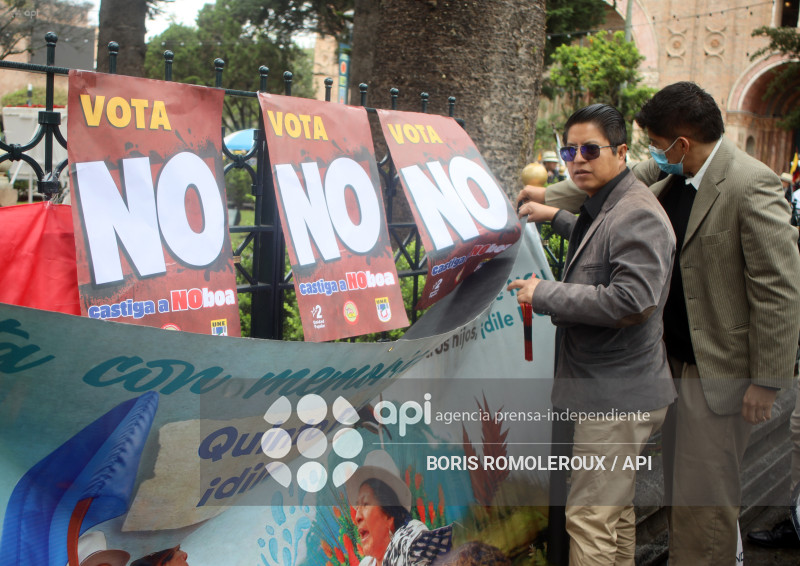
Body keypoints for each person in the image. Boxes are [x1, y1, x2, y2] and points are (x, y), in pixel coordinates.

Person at [522, 82, 800, 565]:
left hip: (717, 369)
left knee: (702, 503)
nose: (651, 153)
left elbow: (779, 287)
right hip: (666, 361)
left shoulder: (749, 183)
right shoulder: (670, 173)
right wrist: (548, 200)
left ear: (682, 143)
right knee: (673, 489)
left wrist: (767, 381)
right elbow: (604, 197)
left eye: (654, 143)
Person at [508, 103, 677, 566]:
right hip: (621, 392)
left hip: (615, 400)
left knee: (589, 520)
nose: (577, 160)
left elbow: (631, 300)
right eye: (569, 151)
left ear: (621, 152)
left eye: (590, 149)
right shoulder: (612, 202)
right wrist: (553, 216)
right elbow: (598, 239)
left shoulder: (636, 213)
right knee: (615, 515)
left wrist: (545, 293)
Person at [346, 450, 453, 566]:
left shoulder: (412, 540)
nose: (357, 517)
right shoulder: (366, 564)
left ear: (389, 514)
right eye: (358, 508)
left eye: (366, 504)